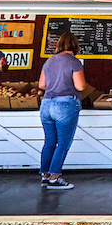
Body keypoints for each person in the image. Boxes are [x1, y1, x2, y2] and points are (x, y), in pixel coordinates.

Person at [37, 32, 86, 190]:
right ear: (75, 45)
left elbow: (42, 86)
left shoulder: (49, 61)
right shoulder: (74, 62)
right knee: (63, 143)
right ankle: (55, 178)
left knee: (49, 142)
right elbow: (81, 86)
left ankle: (44, 175)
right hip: (64, 105)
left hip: (46, 104)